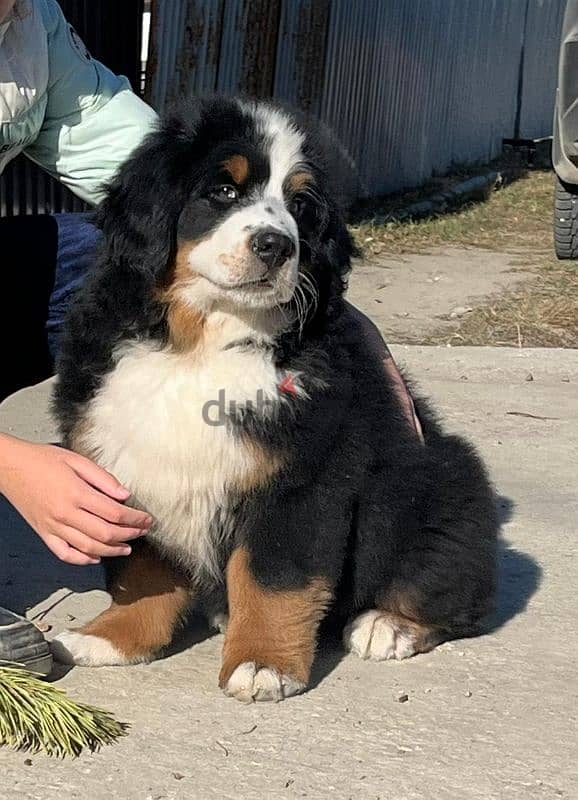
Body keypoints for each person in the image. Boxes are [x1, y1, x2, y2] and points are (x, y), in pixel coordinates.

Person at [0, 0, 421, 670]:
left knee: (99, 251)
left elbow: (154, 168)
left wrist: (342, 319)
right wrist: (10, 463)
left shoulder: (30, 24)